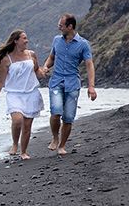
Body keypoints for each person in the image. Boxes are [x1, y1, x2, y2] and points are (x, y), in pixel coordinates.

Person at [41, 14, 97, 156]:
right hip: (56, 82)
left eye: (61, 25)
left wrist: (91, 87)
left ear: (70, 26)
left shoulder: (83, 44)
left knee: (68, 117)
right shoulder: (56, 40)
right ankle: (55, 138)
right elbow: (52, 57)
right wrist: (46, 66)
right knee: (56, 112)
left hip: (72, 84)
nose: (58, 27)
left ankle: (62, 145)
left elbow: (89, 65)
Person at [0, 29, 45, 160]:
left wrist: (43, 72)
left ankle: (24, 151)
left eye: (27, 38)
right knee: (18, 120)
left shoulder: (32, 55)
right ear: (16, 41)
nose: (27, 41)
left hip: (31, 93)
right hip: (14, 94)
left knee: (27, 125)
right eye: (24, 38)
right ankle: (15, 144)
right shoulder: (6, 59)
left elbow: (37, 71)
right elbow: (1, 81)